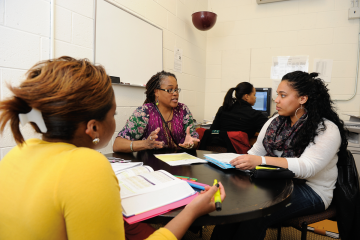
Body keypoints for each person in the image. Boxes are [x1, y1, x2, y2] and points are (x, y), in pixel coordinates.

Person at [0, 56, 226, 240]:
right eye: (113, 113)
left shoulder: (18, 151)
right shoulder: (88, 165)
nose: (175, 93)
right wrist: (192, 211)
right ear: (93, 127)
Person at [210, 71, 348, 240]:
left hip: (313, 190)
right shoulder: (274, 122)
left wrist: (260, 161)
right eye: (277, 95)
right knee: (235, 205)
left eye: (283, 95)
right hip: (276, 182)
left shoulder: (325, 129)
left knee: (257, 212)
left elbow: (308, 168)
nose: (277, 100)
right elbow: (255, 153)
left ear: (303, 98)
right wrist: (237, 164)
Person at [113, 71, 200, 152]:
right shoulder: (144, 113)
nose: (175, 93)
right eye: (170, 90)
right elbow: (117, 145)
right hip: (152, 165)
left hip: (179, 165)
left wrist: (191, 144)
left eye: (176, 89)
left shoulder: (183, 110)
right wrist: (144, 144)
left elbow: (194, 140)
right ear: (157, 92)